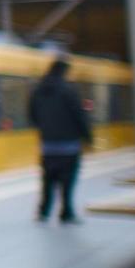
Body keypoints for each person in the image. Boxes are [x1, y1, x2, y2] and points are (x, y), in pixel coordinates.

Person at [28, 58, 90, 224]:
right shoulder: (68, 90)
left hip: (48, 146)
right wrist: (87, 137)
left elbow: (32, 115)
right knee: (67, 182)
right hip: (69, 145)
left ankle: (44, 212)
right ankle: (66, 213)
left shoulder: (38, 90)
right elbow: (79, 115)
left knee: (47, 180)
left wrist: (45, 129)